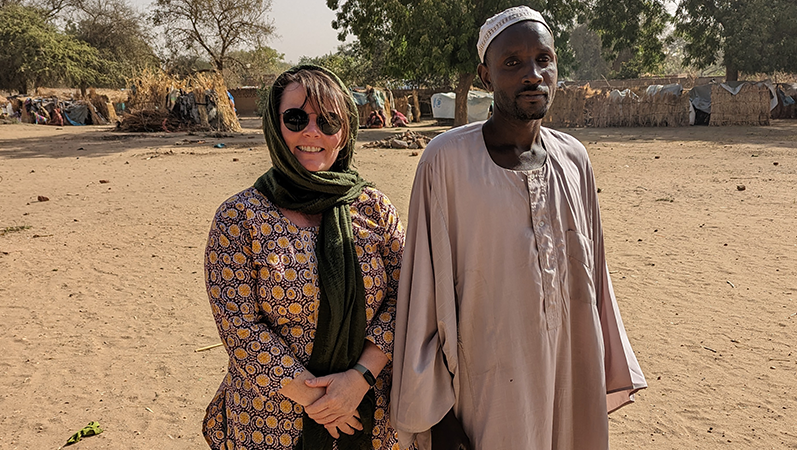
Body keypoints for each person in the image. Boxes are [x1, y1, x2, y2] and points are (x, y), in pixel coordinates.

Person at [390, 7, 646, 450]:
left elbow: (595, 278)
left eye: (543, 59)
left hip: (569, 376)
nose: (532, 74)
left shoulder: (574, 160)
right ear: (485, 75)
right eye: (512, 62)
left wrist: (600, 368)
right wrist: (440, 418)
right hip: (487, 391)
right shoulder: (446, 162)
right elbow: (424, 294)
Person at [202, 65, 406, 450]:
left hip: (370, 411)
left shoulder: (375, 208)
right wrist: (325, 403)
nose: (313, 132)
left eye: (328, 121)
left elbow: (406, 297)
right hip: (271, 421)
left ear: (345, 131)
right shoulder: (239, 218)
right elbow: (240, 328)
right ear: (275, 125)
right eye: (296, 118)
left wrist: (358, 379)